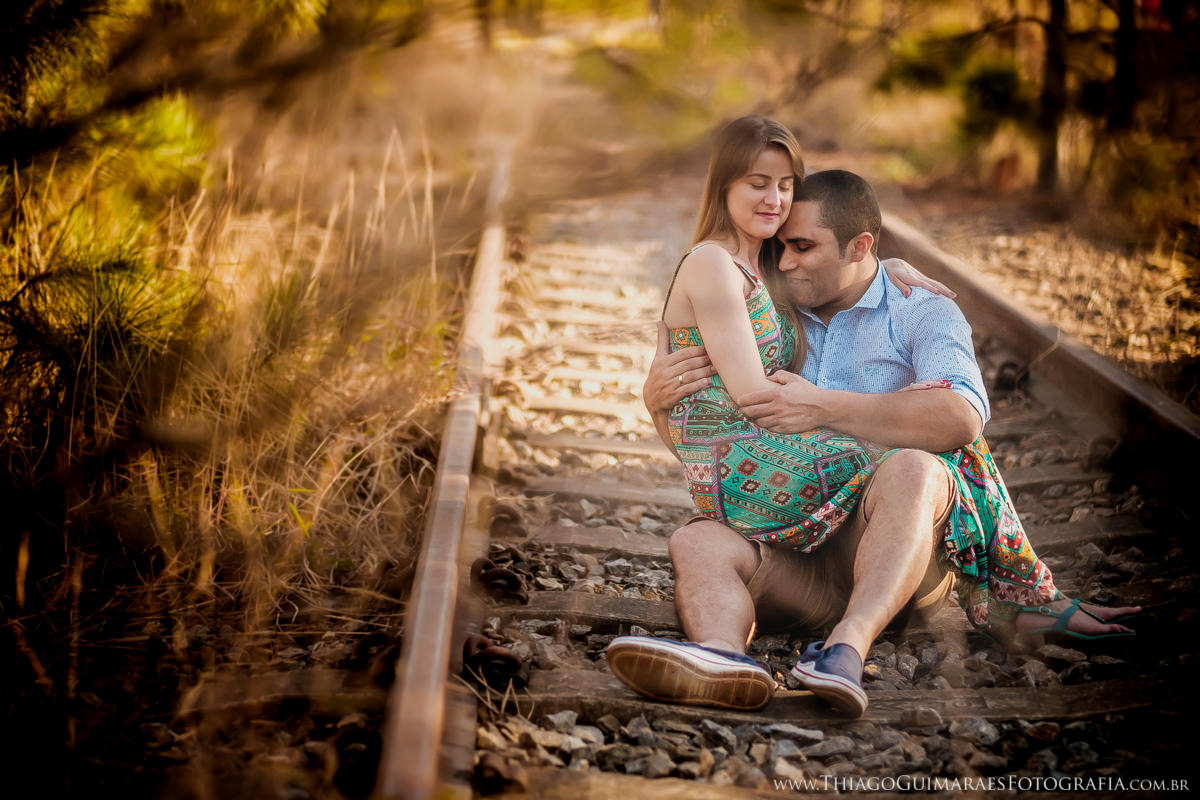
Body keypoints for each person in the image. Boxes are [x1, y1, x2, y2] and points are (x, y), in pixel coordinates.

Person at [606, 166, 1140, 717]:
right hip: (794, 556)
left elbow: (959, 418)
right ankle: (720, 660)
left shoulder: (920, 310)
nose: (785, 261)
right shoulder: (770, 313)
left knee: (916, 468)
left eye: (804, 247)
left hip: (896, 565)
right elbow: (727, 455)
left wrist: (823, 404)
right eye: (783, 245)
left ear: (861, 245)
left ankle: (845, 651)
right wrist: (656, 403)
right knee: (697, 542)